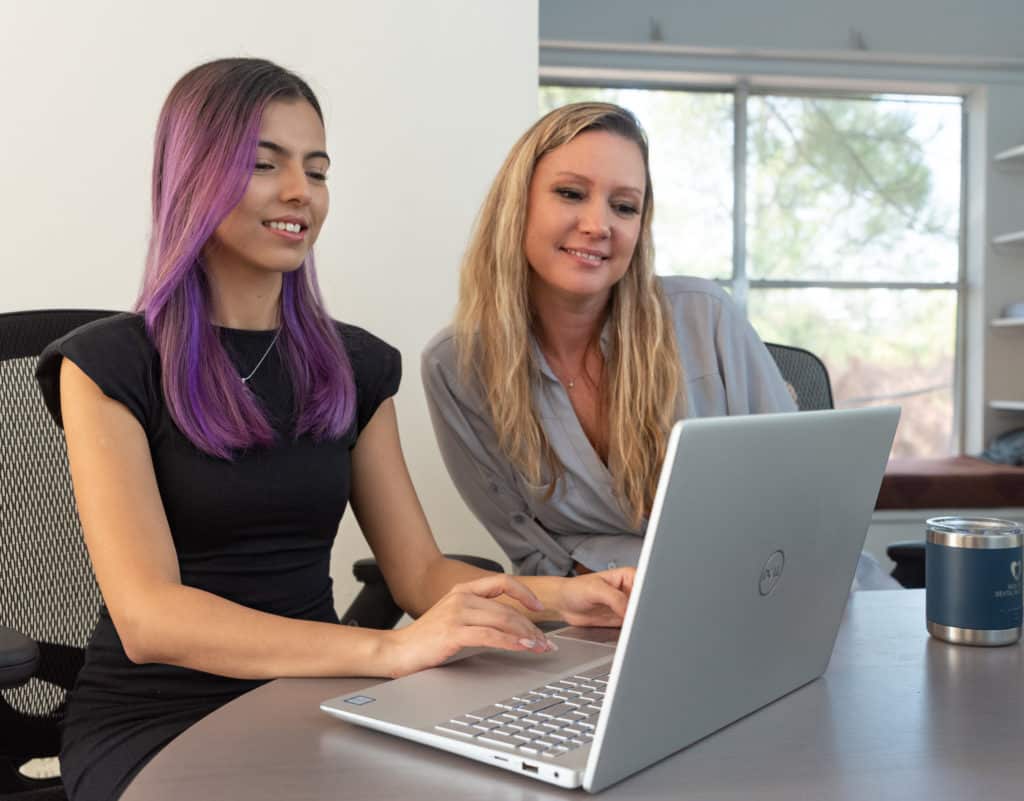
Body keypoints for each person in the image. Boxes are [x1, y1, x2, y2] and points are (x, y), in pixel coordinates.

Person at [35, 62, 633, 801]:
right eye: (264, 164)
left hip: (312, 694)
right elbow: (149, 616)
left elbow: (417, 572)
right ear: (194, 177)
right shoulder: (107, 365)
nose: (300, 192)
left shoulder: (353, 365)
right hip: (156, 720)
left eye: (316, 170)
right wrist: (387, 649)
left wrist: (558, 596)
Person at [421, 102, 799, 578]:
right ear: (517, 204)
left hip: (764, 587)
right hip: (596, 619)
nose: (599, 226)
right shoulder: (457, 366)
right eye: (571, 193)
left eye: (624, 207)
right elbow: (536, 553)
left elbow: (797, 500)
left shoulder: (706, 317)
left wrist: (612, 558)